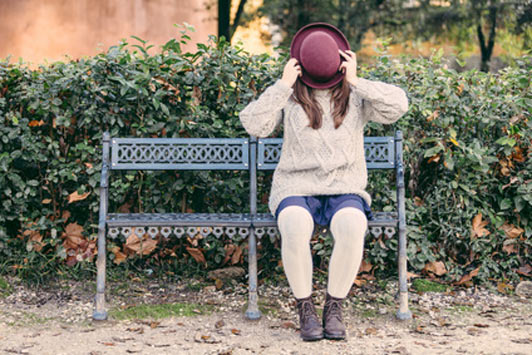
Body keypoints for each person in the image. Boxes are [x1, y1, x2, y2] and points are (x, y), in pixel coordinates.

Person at [239, 22, 409, 341]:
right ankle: (305, 309)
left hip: (345, 188)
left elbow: (399, 105)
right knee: (294, 224)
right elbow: (253, 124)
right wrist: (281, 86)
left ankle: (334, 307)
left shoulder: (356, 96)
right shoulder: (289, 96)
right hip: (295, 188)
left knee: (352, 226)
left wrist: (357, 81)